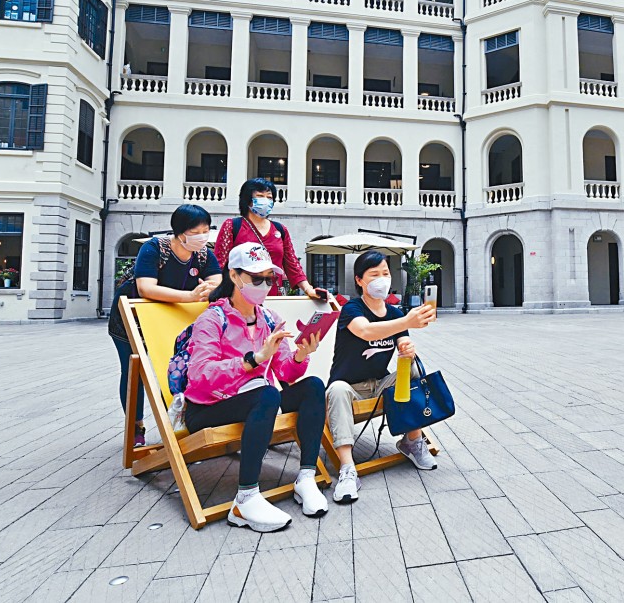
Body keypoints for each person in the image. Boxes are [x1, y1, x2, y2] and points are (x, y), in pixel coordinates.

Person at [186, 242, 328, 532]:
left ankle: (306, 478)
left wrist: (301, 354)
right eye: (256, 278)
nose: (264, 285)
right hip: (209, 408)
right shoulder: (212, 319)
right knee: (266, 393)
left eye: (269, 278)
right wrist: (253, 360)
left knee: (313, 386)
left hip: (258, 402)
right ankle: (245, 499)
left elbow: (286, 372)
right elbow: (199, 375)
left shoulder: (270, 319)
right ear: (234, 276)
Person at [325, 251, 437, 503]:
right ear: (360, 281)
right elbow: (364, 331)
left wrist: (407, 348)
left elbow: (403, 341)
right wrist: (406, 321)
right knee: (337, 390)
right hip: (350, 388)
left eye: (385, 273)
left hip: (380, 384)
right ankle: (347, 468)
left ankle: (412, 441)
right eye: (374, 275)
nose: (382, 279)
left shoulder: (396, 313)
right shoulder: (351, 309)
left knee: (415, 371)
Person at [108, 204, 222, 447]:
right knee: (133, 372)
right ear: (180, 233)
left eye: (206, 230)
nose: (203, 236)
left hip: (171, 318)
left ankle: (182, 425)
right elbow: (146, 288)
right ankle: (135, 427)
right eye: (196, 232)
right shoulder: (154, 248)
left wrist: (210, 288)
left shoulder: (203, 252)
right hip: (133, 319)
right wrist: (191, 296)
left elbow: (216, 279)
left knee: (173, 369)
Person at [214, 177, 326, 301]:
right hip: (239, 298)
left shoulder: (280, 229)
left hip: (272, 297)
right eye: (260, 196)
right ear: (247, 200)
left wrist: (308, 289)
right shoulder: (232, 226)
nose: (266, 201)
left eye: (269, 197)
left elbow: (292, 264)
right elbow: (220, 263)